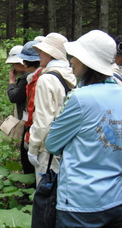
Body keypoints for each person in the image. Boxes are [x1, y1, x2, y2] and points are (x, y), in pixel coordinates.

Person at [46, 30, 122, 228]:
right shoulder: (120, 93)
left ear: (87, 62)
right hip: (115, 197)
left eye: (76, 56)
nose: (71, 61)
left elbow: (53, 143)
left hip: (80, 203)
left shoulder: (81, 98)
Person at [28, 33, 76, 185]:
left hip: (48, 146)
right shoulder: (70, 75)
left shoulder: (46, 79)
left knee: (45, 193)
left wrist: (33, 148)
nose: (39, 54)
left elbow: (43, 120)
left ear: (50, 54)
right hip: (66, 143)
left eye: (41, 51)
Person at [16, 41, 42, 175]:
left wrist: (29, 135)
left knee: (31, 166)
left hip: (35, 129)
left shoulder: (40, 79)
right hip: (34, 128)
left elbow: (33, 108)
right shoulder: (33, 77)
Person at [5, 45, 29, 120]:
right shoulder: (30, 75)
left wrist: (12, 81)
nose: (13, 68)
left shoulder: (27, 77)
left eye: (14, 64)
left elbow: (14, 97)